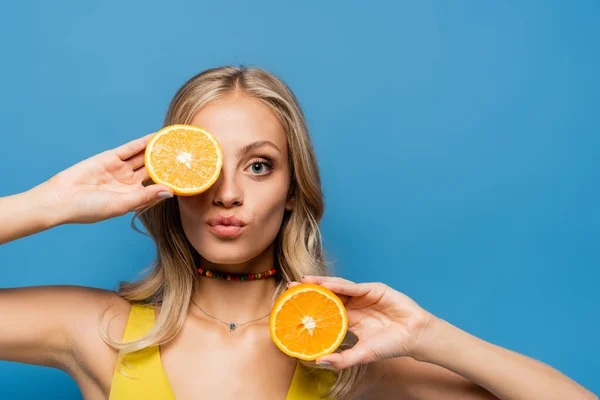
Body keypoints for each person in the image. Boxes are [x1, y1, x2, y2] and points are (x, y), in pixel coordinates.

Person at [0, 66, 595, 400]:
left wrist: (430, 335)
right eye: (209, 166)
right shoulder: (99, 332)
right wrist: (45, 204)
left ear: (292, 192)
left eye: (259, 165)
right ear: (173, 180)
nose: (227, 192)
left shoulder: (346, 352)